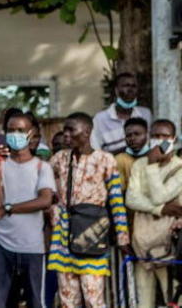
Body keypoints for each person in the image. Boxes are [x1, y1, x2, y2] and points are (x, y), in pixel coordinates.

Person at [48, 112, 130, 308]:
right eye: (64, 130)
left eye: (71, 130)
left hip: (92, 232)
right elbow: (48, 192)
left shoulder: (105, 160)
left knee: (93, 298)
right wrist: (54, 213)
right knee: (68, 300)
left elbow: (116, 200)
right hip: (63, 234)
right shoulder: (59, 159)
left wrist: (122, 236)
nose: (66, 135)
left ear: (86, 132)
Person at [0, 113, 56, 308]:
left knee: (36, 301)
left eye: (20, 130)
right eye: (11, 130)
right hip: (1, 244)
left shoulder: (42, 167)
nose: (14, 134)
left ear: (31, 134)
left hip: (32, 247)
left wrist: (9, 209)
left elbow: (45, 200)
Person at [125, 119, 182, 307]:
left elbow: (159, 195)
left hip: (168, 247)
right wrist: (161, 209)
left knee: (173, 299)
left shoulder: (179, 168)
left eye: (164, 136)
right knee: (143, 302)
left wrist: (152, 165)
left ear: (173, 139)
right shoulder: (139, 164)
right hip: (142, 246)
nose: (159, 140)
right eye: (155, 136)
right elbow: (131, 199)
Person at [91, 73, 153, 154]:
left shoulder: (145, 114)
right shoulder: (100, 119)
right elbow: (95, 151)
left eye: (134, 86)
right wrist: (125, 151)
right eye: (126, 86)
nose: (130, 89)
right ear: (116, 90)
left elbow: (153, 142)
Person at [116, 117, 148, 189]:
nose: (132, 138)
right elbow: (120, 190)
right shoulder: (120, 159)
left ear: (146, 135)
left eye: (137, 134)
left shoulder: (155, 156)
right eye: (128, 135)